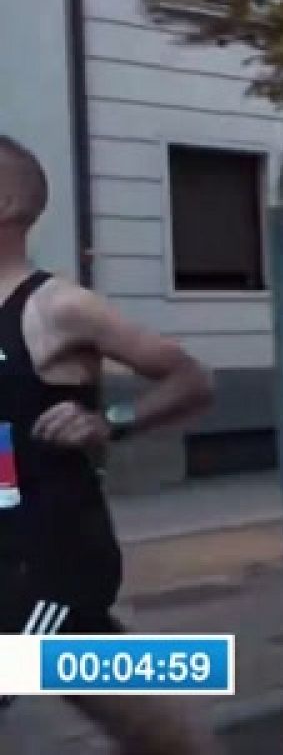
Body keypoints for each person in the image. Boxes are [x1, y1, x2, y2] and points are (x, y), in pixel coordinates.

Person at [0, 136, 222, 753]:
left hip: (48, 558)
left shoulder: (57, 308)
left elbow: (191, 378)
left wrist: (110, 421)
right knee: (152, 732)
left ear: (8, 203)